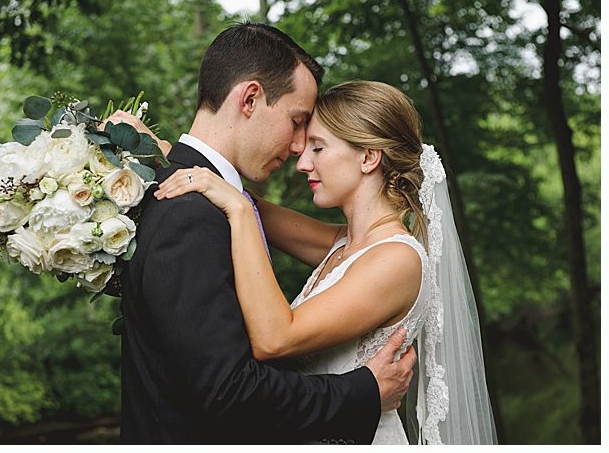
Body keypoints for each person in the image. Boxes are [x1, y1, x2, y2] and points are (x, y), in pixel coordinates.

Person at [139, 80, 498, 444]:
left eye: (319, 147)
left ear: (368, 157)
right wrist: (161, 156)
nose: (302, 162)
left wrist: (239, 211)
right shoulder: (343, 243)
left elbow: (275, 338)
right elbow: (236, 193)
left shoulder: (397, 259)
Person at [113, 22, 416, 444]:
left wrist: (183, 166)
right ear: (251, 98)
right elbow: (229, 389)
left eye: (316, 145)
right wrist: (363, 392)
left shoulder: (201, 200)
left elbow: (254, 214)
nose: (299, 154)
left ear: (369, 157)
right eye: (297, 124)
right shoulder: (191, 213)